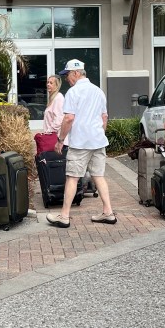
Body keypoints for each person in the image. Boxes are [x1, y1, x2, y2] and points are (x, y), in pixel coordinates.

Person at [46, 59, 117, 228]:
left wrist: (60, 140)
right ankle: (108, 212)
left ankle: (64, 216)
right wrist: (98, 134)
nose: (68, 79)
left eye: (68, 75)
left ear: (76, 73)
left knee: (72, 177)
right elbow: (104, 117)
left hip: (80, 143)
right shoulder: (99, 91)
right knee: (98, 175)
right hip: (98, 140)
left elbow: (69, 118)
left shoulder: (73, 92)